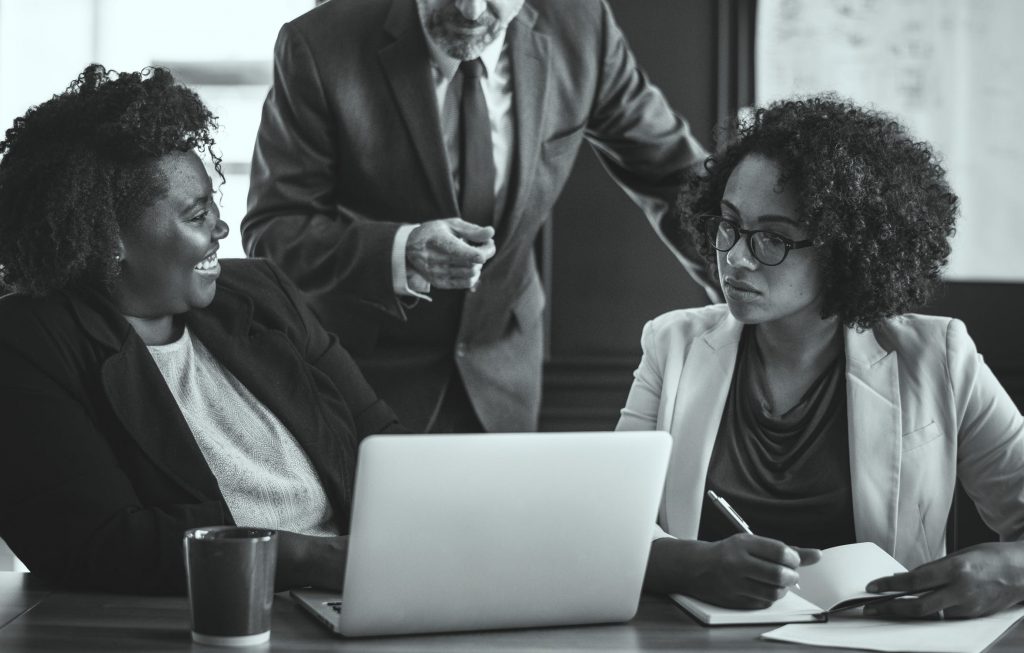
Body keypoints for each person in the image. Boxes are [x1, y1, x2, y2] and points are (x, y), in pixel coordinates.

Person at [0, 65, 403, 594]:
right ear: (108, 241)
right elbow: (99, 541)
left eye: (213, 204)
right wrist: (309, 559)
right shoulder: (29, 342)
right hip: (202, 618)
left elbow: (383, 441)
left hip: (358, 596)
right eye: (195, 216)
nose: (221, 228)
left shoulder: (261, 293)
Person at [617, 95, 1024, 618]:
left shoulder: (940, 358)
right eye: (729, 224)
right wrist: (690, 564)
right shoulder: (671, 343)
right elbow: (615, 524)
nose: (736, 258)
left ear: (847, 249)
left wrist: (1011, 573)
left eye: (772, 238)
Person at [242, 0, 716, 434]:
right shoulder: (319, 44)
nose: (470, 11)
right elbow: (274, 229)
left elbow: (678, 179)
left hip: (505, 370)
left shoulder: (582, 28)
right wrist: (401, 251)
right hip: (362, 375)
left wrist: (752, 291)